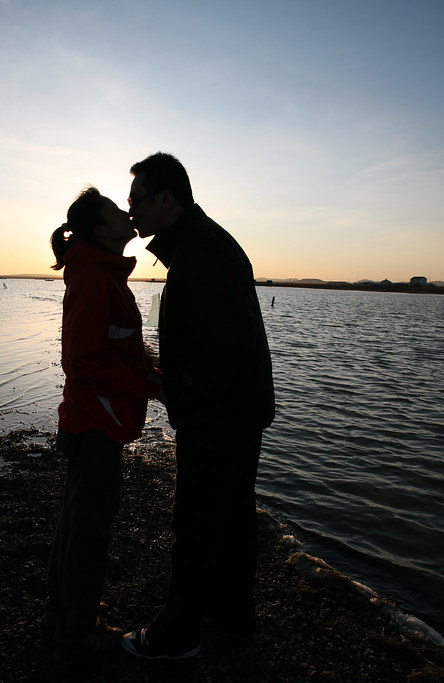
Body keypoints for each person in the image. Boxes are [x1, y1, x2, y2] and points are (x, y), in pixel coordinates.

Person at [121, 153, 275, 659]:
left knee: (195, 523)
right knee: (231, 519)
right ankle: (232, 617)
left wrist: (175, 393)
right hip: (239, 409)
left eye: (138, 200)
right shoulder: (205, 242)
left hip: (219, 415)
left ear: (168, 198)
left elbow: (217, 352)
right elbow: (214, 342)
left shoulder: (201, 252)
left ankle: (176, 636)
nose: (131, 212)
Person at [45, 186, 162, 651]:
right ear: (100, 228)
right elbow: (83, 364)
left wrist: (151, 371)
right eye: (116, 209)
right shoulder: (95, 277)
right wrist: (153, 387)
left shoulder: (104, 273)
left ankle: (67, 613)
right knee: (89, 531)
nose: (127, 211)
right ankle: (78, 631)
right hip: (93, 424)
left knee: (76, 524)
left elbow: (118, 348)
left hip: (92, 422)